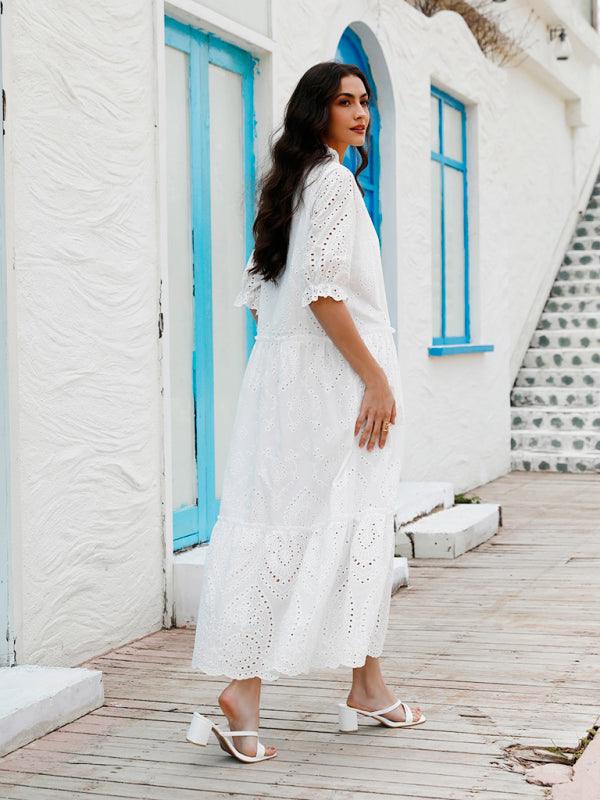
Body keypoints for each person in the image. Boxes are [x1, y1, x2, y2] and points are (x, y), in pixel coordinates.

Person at [186, 61, 425, 764]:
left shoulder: (293, 184)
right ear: (316, 111)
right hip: (338, 386)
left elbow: (266, 299)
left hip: (291, 385)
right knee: (338, 523)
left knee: (326, 525)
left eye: (365, 100)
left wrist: (302, 372)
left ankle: (359, 685)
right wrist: (374, 378)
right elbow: (323, 292)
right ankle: (255, 690)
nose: (361, 113)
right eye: (345, 102)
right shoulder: (335, 184)